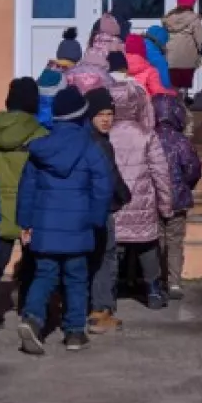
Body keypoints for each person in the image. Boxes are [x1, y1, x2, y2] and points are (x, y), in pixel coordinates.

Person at [15, 86, 114, 355]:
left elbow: (27, 189)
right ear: (81, 116)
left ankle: (33, 319)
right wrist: (94, 220)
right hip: (79, 226)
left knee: (44, 274)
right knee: (76, 278)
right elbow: (103, 186)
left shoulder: (40, 149)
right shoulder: (90, 148)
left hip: (45, 226)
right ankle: (73, 332)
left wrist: (25, 223)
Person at [0, 78, 48, 331]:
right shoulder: (41, 134)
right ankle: (28, 308)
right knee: (32, 260)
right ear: (34, 103)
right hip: (31, 206)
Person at [109, 81, 176, 310]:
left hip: (114, 202)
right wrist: (166, 206)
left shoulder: (104, 135)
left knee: (113, 247)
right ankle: (154, 291)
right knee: (147, 245)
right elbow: (160, 173)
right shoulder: (147, 136)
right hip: (143, 202)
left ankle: (109, 292)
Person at [85, 87, 130, 334]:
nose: (106, 119)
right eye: (101, 114)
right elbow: (110, 177)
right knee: (105, 256)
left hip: (88, 208)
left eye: (110, 113)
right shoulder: (98, 143)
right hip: (100, 209)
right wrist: (125, 196)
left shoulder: (92, 138)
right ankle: (100, 310)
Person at [152, 95, 202, 301]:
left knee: (155, 241)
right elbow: (193, 167)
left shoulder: (149, 137)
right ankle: (173, 282)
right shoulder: (182, 141)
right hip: (177, 198)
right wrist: (186, 185)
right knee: (174, 241)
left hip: (154, 198)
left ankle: (156, 279)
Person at [163, 0, 202, 103]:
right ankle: (183, 104)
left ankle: (174, 103)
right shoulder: (194, 19)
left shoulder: (169, 19)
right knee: (185, 84)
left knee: (174, 84)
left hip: (171, 58)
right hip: (188, 59)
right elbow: (200, 38)